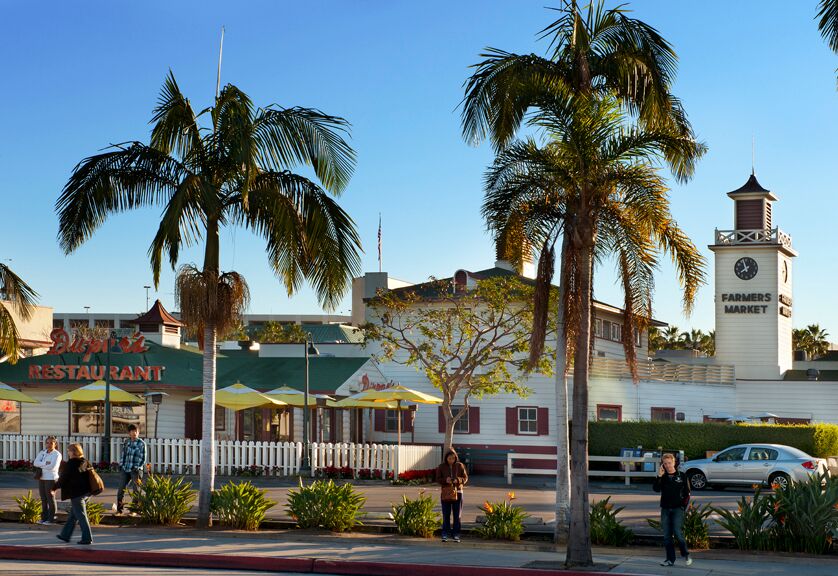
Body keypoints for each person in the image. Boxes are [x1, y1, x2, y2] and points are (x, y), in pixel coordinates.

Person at [652, 452, 692, 567]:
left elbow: (687, 493)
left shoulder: (682, 476)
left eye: (669, 463)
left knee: (678, 533)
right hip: (665, 509)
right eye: (665, 463)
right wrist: (659, 476)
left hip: (677, 509)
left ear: (674, 462)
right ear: (662, 465)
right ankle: (670, 559)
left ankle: (686, 554)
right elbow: (655, 489)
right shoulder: (662, 477)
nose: (668, 465)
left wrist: (683, 507)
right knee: (667, 536)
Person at [54, 443, 93, 545]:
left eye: (69, 451)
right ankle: (65, 535)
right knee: (73, 515)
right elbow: (83, 475)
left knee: (81, 516)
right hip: (86, 492)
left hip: (77, 494)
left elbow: (63, 478)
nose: (68, 452)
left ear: (73, 452)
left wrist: (54, 487)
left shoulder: (71, 463)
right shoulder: (85, 462)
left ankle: (87, 538)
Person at [435, 448, 468, 543]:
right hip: (446, 493)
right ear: (446, 458)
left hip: (458, 492)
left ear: (455, 458)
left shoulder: (460, 465)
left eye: (453, 458)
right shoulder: (441, 467)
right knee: (446, 514)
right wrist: (446, 480)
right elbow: (437, 479)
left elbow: (465, 478)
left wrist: (458, 480)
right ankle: (445, 533)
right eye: (449, 458)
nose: (451, 460)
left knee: (457, 515)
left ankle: (456, 534)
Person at [116, 424, 146, 515]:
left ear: (138, 433)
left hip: (135, 470)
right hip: (125, 469)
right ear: (129, 433)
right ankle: (119, 509)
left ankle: (134, 510)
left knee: (136, 490)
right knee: (121, 489)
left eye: (136, 432)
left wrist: (136, 467)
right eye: (132, 432)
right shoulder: (127, 442)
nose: (134, 434)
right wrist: (121, 465)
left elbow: (143, 458)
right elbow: (123, 455)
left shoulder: (141, 443)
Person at [33, 436, 62, 524]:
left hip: (51, 479)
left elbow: (52, 467)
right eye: (47, 443)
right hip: (41, 477)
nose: (49, 445)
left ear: (55, 444)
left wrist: (41, 464)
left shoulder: (57, 454)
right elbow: (35, 463)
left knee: (50, 498)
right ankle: (44, 518)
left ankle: (51, 518)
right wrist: (45, 463)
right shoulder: (42, 452)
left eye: (51, 443)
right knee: (43, 499)